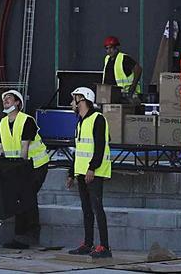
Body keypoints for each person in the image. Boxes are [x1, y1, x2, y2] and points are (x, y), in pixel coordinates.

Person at [0, 89, 49, 250]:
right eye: (4, 99)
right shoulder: (2, 123)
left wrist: (21, 169)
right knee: (19, 198)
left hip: (35, 165)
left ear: (18, 103)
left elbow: (25, 147)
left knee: (27, 195)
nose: (5, 100)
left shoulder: (27, 120)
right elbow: (2, 147)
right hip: (18, 167)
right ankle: (21, 236)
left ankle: (30, 234)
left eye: (9, 98)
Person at [66, 87, 112, 259]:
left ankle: (105, 247)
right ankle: (88, 243)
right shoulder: (80, 121)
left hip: (94, 172)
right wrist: (71, 173)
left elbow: (99, 146)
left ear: (82, 99)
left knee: (97, 208)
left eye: (74, 98)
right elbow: (78, 150)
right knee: (87, 209)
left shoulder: (97, 119)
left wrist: (92, 168)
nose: (72, 102)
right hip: (81, 172)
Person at [102, 36, 143, 101]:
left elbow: (138, 69)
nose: (109, 51)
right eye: (107, 49)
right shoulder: (107, 59)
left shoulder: (124, 58)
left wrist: (132, 88)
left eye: (111, 48)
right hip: (110, 94)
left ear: (116, 47)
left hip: (124, 95)